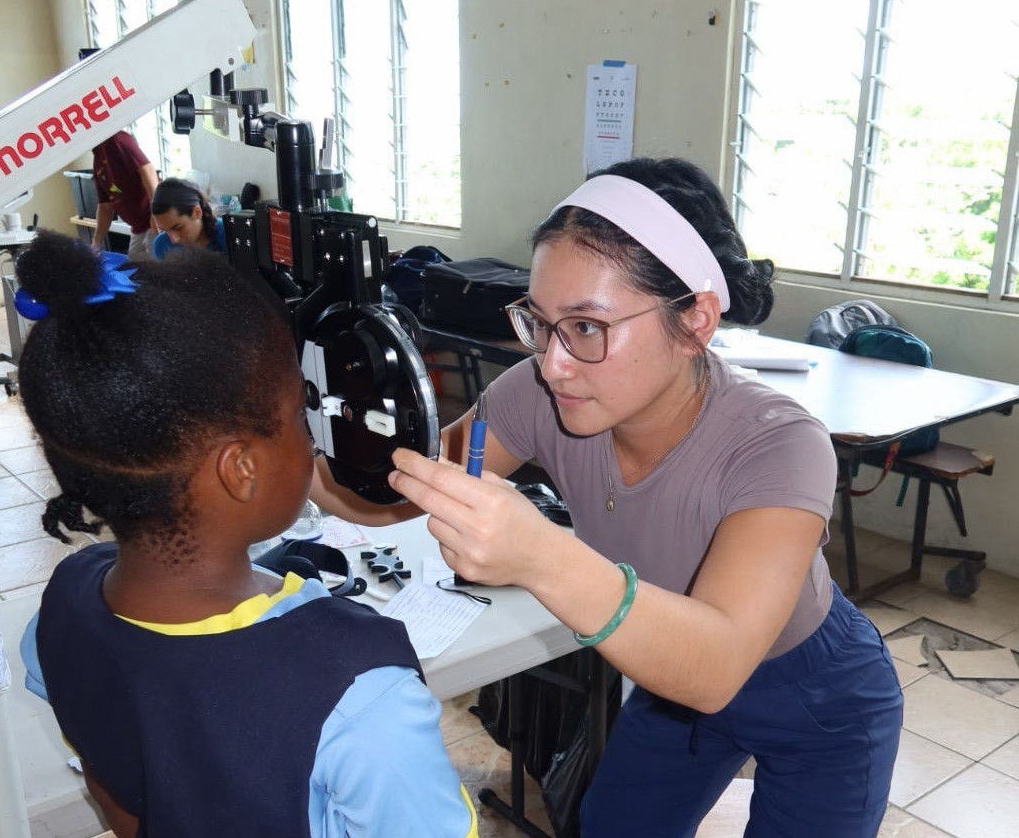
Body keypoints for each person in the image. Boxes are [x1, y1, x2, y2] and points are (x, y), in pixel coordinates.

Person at [321, 158, 904, 837]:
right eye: (539, 322)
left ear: (695, 320)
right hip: (669, 670)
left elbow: (715, 664)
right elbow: (407, 489)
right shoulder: (539, 394)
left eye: (587, 327)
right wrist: (305, 459)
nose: (552, 361)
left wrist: (540, 554)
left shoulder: (780, 443)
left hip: (815, 689)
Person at [15, 233, 477, 838]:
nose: (311, 438)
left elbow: (115, 790)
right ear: (241, 470)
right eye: (296, 417)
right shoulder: (360, 695)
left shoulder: (62, 604)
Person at [78, 47, 158, 260]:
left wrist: (156, 215)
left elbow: (148, 171)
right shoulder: (98, 158)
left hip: (152, 224)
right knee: (133, 271)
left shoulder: (118, 140)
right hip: (137, 228)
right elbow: (105, 207)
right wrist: (96, 243)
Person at [151, 177, 226, 260]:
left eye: (178, 228)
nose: (174, 240)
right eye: (164, 230)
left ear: (197, 212)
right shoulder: (161, 244)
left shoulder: (228, 234)